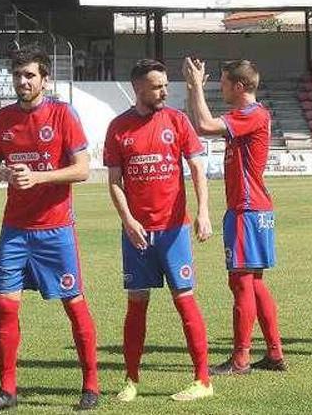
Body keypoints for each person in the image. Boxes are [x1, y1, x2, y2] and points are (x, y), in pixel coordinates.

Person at [0, 47, 100, 414]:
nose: (23, 81)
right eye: (18, 75)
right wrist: (5, 174)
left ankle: (91, 384)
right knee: (4, 305)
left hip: (55, 229)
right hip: (15, 229)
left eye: (29, 75)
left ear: (44, 79)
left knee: (73, 305)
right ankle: (7, 391)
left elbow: (82, 169)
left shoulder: (62, 114)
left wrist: (39, 176)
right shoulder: (3, 119)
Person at [106, 59, 214, 403]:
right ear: (138, 88)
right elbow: (114, 181)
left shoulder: (177, 120)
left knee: (185, 301)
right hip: (137, 233)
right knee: (136, 305)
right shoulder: (119, 127)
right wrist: (128, 220)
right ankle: (131, 380)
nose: (164, 91)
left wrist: (203, 212)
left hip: (173, 231)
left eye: (166, 85)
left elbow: (197, 166)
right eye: (157, 86)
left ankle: (203, 380)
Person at [182, 57, 286, 374]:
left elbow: (204, 125)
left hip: (247, 209)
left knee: (241, 283)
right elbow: (197, 122)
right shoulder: (251, 115)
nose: (221, 88)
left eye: (225, 82)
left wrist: (197, 85)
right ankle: (274, 353)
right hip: (253, 208)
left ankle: (241, 359)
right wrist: (192, 87)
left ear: (239, 86)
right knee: (253, 284)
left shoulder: (251, 115)